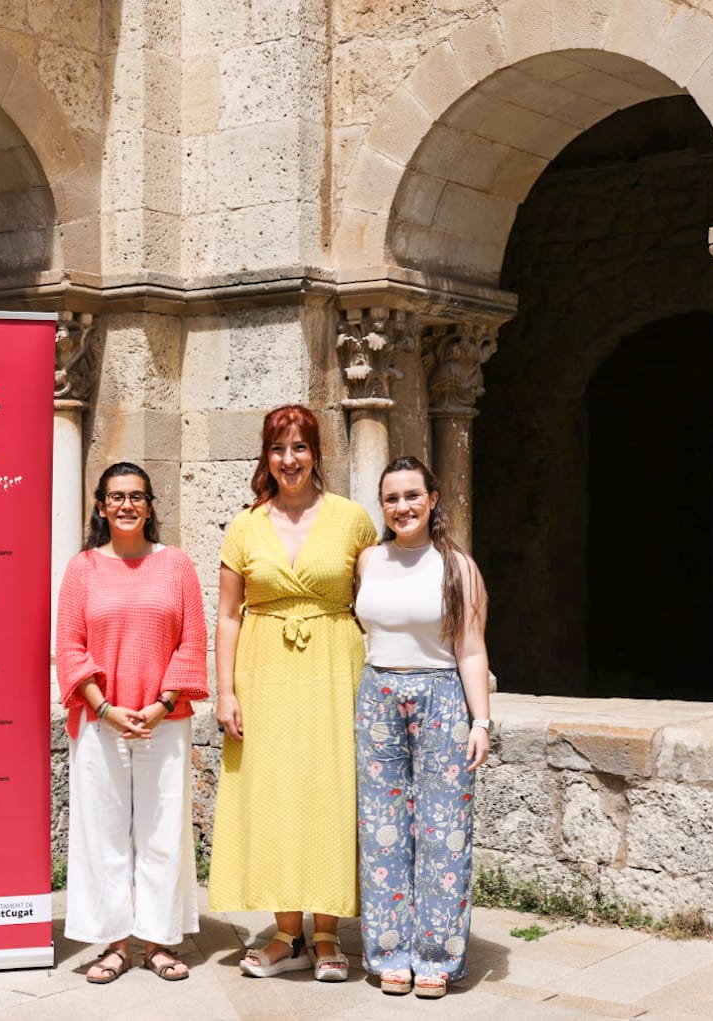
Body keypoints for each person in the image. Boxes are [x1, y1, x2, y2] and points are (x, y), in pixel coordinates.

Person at [208, 405, 379, 981]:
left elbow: (376, 603)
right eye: (279, 449)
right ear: (266, 457)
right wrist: (225, 690)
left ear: (316, 454)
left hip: (336, 663)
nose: (289, 460)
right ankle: (287, 933)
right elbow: (228, 615)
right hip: (265, 668)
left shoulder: (353, 519)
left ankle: (328, 934)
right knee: (275, 791)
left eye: (300, 447)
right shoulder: (245, 526)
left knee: (331, 789)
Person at [55, 462, 210, 984]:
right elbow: (70, 647)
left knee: (163, 830)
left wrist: (161, 706)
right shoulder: (82, 569)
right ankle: (116, 943)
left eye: (137, 497)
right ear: (101, 507)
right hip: (102, 722)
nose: (127, 505)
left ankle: (159, 942)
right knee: (104, 833)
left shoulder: (177, 565)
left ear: (149, 506)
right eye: (116, 497)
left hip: (163, 721)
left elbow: (192, 640)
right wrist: (104, 708)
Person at [353, 456, 491, 999]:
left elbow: (472, 647)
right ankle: (389, 953)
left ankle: (435, 955)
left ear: (433, 499)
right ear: (382, 505)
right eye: (391, 498)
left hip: (441, 695)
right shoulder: (368, 560)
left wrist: (481, 720)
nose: (402, 507)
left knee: (443, 829)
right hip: (378, 694)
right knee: (381, 828)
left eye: (412, 495)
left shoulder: (457, 566)